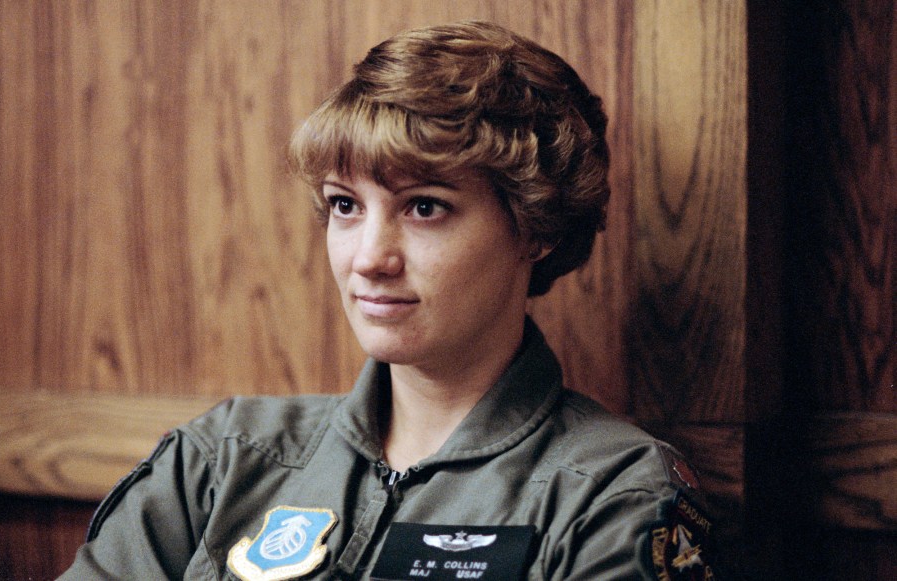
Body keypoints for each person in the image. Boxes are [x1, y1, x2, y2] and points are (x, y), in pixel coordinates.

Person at [61, 21, 720, 580]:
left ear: (537, 227)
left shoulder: (611, 496)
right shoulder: (219, 458)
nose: (369, 257)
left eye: (425, 206)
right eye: (344, 205)